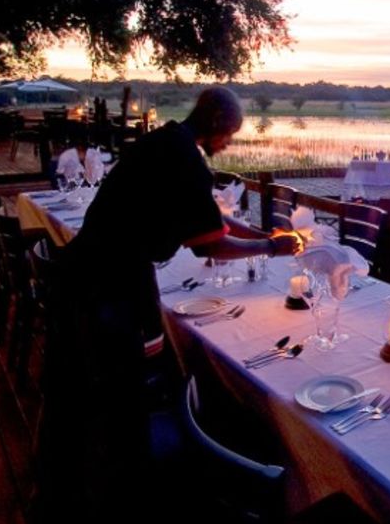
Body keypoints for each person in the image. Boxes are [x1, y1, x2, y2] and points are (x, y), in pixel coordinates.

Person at [33, 86, 298, 522]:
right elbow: (206, 243)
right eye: (230, 133)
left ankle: (63, 486)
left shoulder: (162, 142)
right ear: (215, 122)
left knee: (73, 389)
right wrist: (270, 248)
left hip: (80, 271)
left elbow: (205, 218)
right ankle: (119, 493)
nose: (230, 142)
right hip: (110, 284)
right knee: (120, 387)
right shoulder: (187, 160)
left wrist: (255, 233)